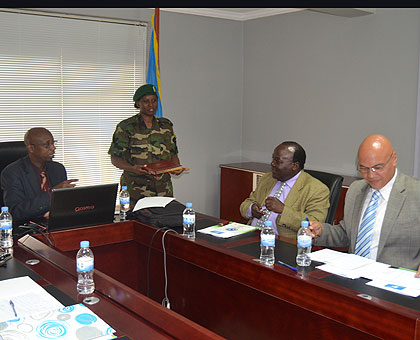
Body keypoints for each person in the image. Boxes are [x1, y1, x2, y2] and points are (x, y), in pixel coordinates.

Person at [310, 134, 420, 276]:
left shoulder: (415, 192)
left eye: (378, 167)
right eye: (364, 168)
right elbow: (346, 234)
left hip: (396, 282)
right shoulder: (356, 189)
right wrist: (321, 231)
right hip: (353, 276)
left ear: (393, 159)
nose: (371, 175)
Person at [108, 84, 185, 205]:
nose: (151, 105)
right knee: (136, 223)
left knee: (163, 222)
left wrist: (176, 167)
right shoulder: (126, 127)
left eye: (154, 101)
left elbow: (173, 153)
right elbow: (115, 159)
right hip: (136, 189)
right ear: (138, 103)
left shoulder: (166, 125)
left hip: (163, 189)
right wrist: (133, 168)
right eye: (146, 101)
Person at [240, 141, 330, 239]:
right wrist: (251, 209)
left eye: (277, 161)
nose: (272, 164)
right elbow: (247, 202)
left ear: (295, 165)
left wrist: (283, 210)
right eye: (273, 159)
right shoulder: (268, 178)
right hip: (253, 235)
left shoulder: (317, 189)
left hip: (283, 243)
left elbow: (313, 225)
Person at [1, 127, 78, 221]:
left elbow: (63, 203)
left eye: (53, 143)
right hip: (28, 229)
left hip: (56, 224)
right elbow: (15, 212)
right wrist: (52, 193)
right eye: (47, 145)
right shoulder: (12, 173)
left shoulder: (58, 169)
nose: (53, 148)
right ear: (31, 148)